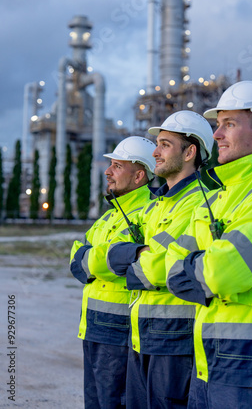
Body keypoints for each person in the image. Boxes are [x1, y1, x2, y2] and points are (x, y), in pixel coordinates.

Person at [166, 80, 252, 409]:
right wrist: (205, 264)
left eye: (229, 124)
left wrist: (200, 266)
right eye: (217, 125)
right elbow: (172, 269)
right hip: (209, 360)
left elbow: (223, 275)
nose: (216, 135)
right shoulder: (218, 196)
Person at [107, 110, 214, 409]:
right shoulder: (156, 205)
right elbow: (114, 254)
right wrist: (133, 256)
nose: (154, 151)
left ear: (190, 152)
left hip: (175, 336)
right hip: (141, 333)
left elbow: (159, 268)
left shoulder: (199, 202)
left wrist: (131, 259)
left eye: (165, 144)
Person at [70, 136, 156, 409]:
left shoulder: (147, 213)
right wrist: (106, 259)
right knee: (95, 402)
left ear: (139, 175)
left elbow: (133, 261)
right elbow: (76, 260)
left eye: (117, 166)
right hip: (94, 326)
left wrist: (95, 259)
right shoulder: (109, 216)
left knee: (113, 402)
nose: (107, 171)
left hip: (119, 329)